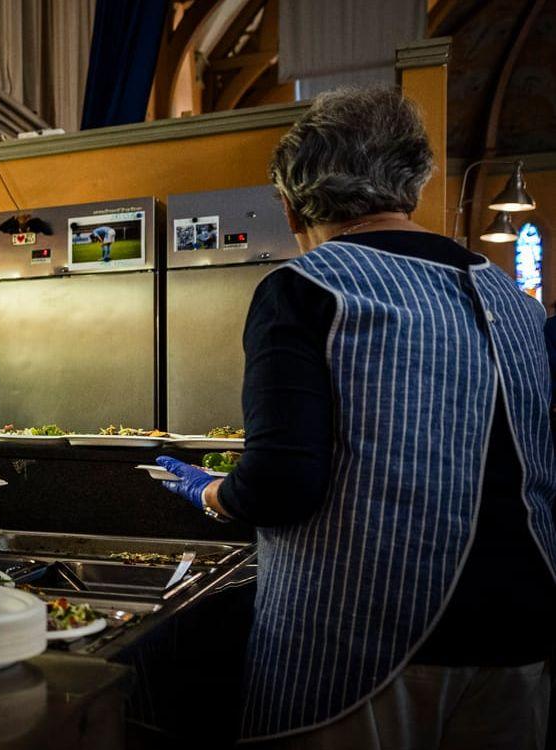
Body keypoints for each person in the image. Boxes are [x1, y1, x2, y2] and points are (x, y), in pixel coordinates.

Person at [157, 87, 556, 747]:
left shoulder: (307, 286)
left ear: (290, 205)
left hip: (362, 645)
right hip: (521, 631)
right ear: (414, 187)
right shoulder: (514, 298)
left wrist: (213, 492)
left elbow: (281, 483)